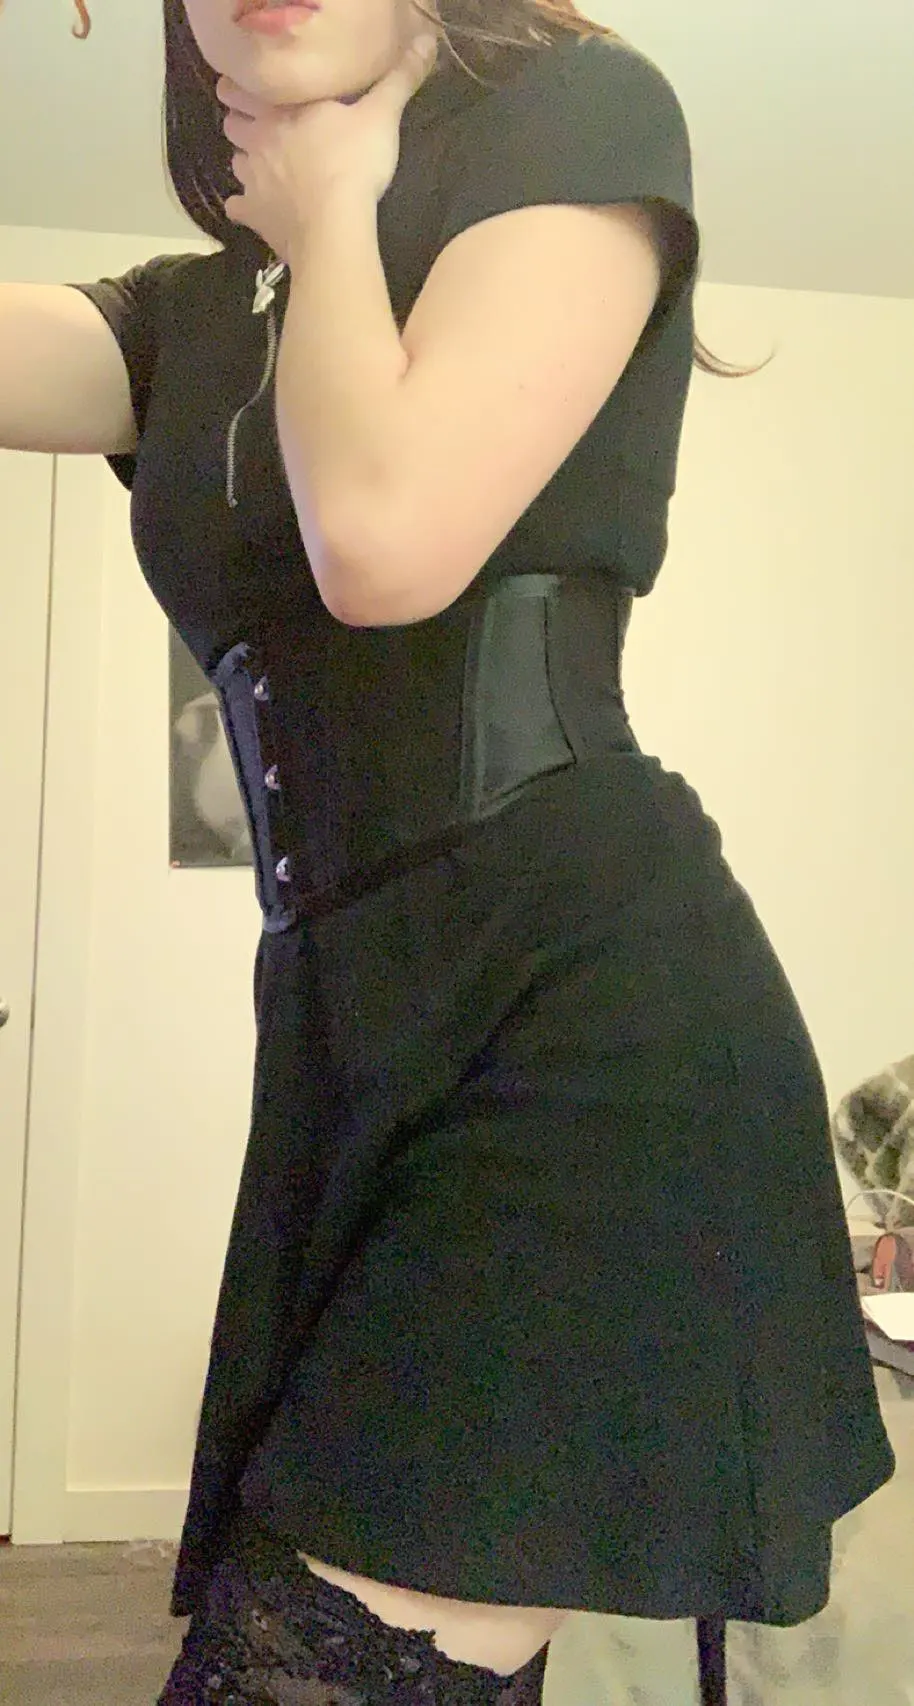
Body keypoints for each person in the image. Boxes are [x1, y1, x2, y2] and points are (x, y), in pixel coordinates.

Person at [0, 1, 895, 1701]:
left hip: (583, 1019)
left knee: (313, 1657)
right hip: (350, 1029)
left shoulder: (587, 120)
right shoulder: (190, 319)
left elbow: (386, 535)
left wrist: (338, 209)